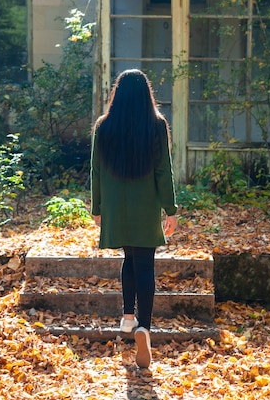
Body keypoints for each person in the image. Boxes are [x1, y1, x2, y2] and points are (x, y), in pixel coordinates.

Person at [90, 69, 178, 368]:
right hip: (145, 205)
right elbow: (163, 171)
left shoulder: (104, 126)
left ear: (117, 94)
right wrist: (171, 208)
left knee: (129, 257)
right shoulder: (156, 125)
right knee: (145, 263)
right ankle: (145, 327)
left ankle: (128, 316)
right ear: (146, 94)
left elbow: (96, 171)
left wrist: (97, 207)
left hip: (117, 205)